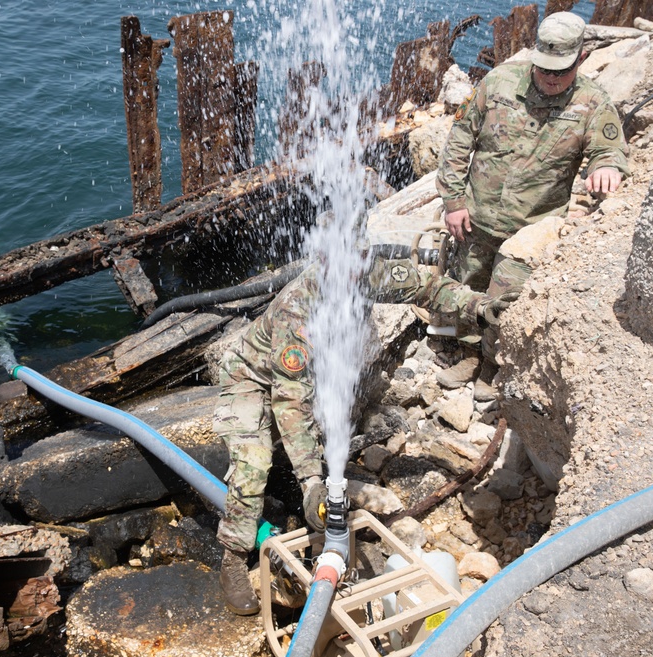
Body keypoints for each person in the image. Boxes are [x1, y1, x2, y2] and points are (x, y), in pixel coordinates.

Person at [213, 253, 516, 615]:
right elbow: (288, 401)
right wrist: (311, 482)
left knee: (327, 436)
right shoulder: (298, 312)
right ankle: (233, 557)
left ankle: (323, 541)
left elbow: (427, 288)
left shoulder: (367, 272)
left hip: (305, 377)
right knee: (253, 462)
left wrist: (479, 306)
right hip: (252, 381)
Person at [434, 11, 630, 397]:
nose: (552, 77)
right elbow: (459, 140)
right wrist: (453, 201)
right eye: (545, 69)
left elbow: (609, 150)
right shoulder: (498, 83)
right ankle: (466, 354)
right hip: (475, 219)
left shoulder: (593, 103)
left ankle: (492, 366)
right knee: (465, 289)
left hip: (528, 233)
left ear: (581, 59)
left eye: (562, 70)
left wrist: (606, 167)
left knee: (504, 304)